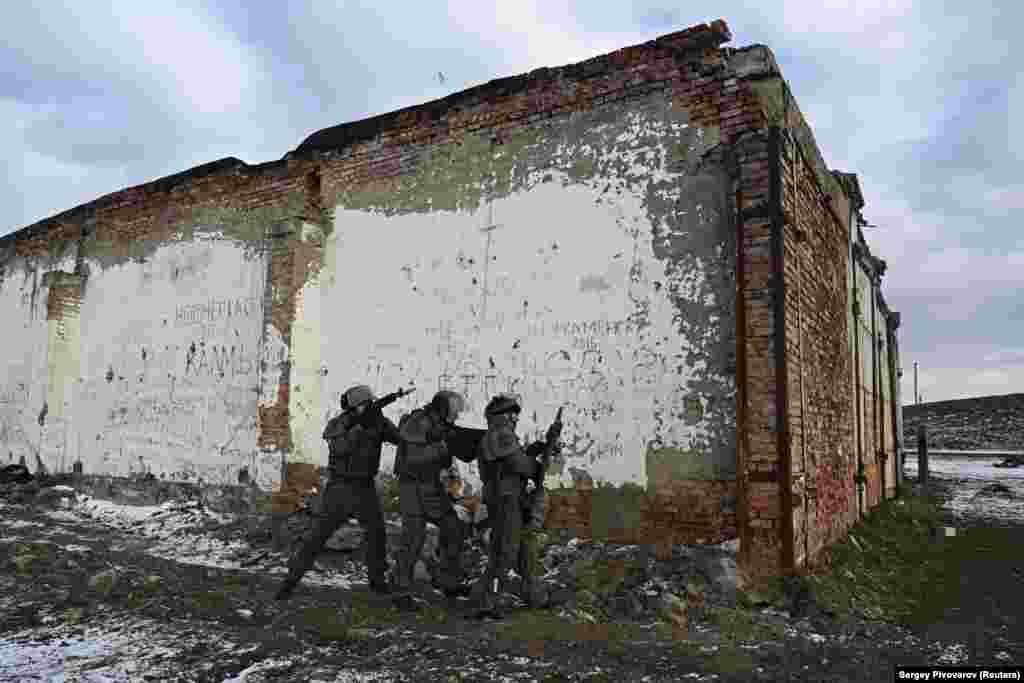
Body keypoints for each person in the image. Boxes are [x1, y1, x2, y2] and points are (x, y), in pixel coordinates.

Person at [274, 384, 400, 601]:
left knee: (376, 535)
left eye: (371, 403)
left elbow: (398, 438)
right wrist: (361, 428)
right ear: (353, 408)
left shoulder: (377, 422)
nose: (371, 407)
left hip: (365, 488)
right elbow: (340, 448)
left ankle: (377, 582)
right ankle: (290, 581)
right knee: (317, 537)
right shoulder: (340, 424)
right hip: (340, 489)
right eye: (366, 404)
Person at [392, 389, 476, 610]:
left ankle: (449, 582)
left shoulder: (439, 424)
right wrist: (442, 447)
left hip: (431, 486)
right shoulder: (417, 422)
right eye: (453, 412)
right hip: (412, 488)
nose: (456, 417)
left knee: (453, 527)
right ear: (443, 409)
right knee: (413, 539)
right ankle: (401, 591)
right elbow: (412, 458)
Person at [476, 393, 559, 615]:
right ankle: (489, 603)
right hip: (505, 499)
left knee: (522, 551)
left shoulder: (498, 435)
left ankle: (533, 597)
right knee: (505, 551)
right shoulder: (501, 434)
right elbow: (519, 464)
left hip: (510, 497)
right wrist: (540, 466)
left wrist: (539, 448)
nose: (515, 418)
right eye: (512, 413)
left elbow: (515, 458)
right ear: (503, 415)